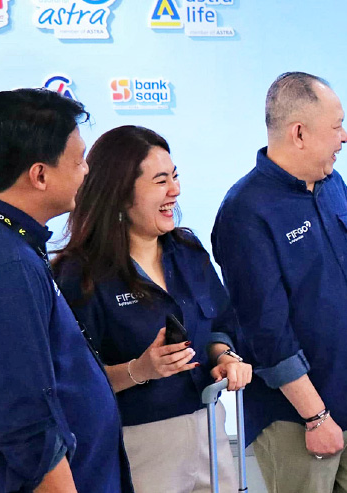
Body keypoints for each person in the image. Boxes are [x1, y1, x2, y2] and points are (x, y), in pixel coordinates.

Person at [212, 72, 347, 493]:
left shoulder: (333, 185)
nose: (345, 137)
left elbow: (334, 285)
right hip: (299, 421)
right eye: (337, 126)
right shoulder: (244, 212)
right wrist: (315, 416)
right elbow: (266, 331)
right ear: (299, 133)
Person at [52, 125, 253, 493]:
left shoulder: (187, 251)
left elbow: (220, 325)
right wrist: (141, 369)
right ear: (121, 193)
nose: (175, 190)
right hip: (138, 443)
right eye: (161, 181)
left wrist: (225, 357)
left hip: (210, 428)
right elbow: (72, 383)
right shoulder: (80, 274)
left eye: (175, 176)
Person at [0, 89, 133, 492]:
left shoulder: (11, 244)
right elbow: (24, 417)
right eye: (79, 160)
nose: (86, 172)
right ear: (40, 175)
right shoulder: (6, 262)